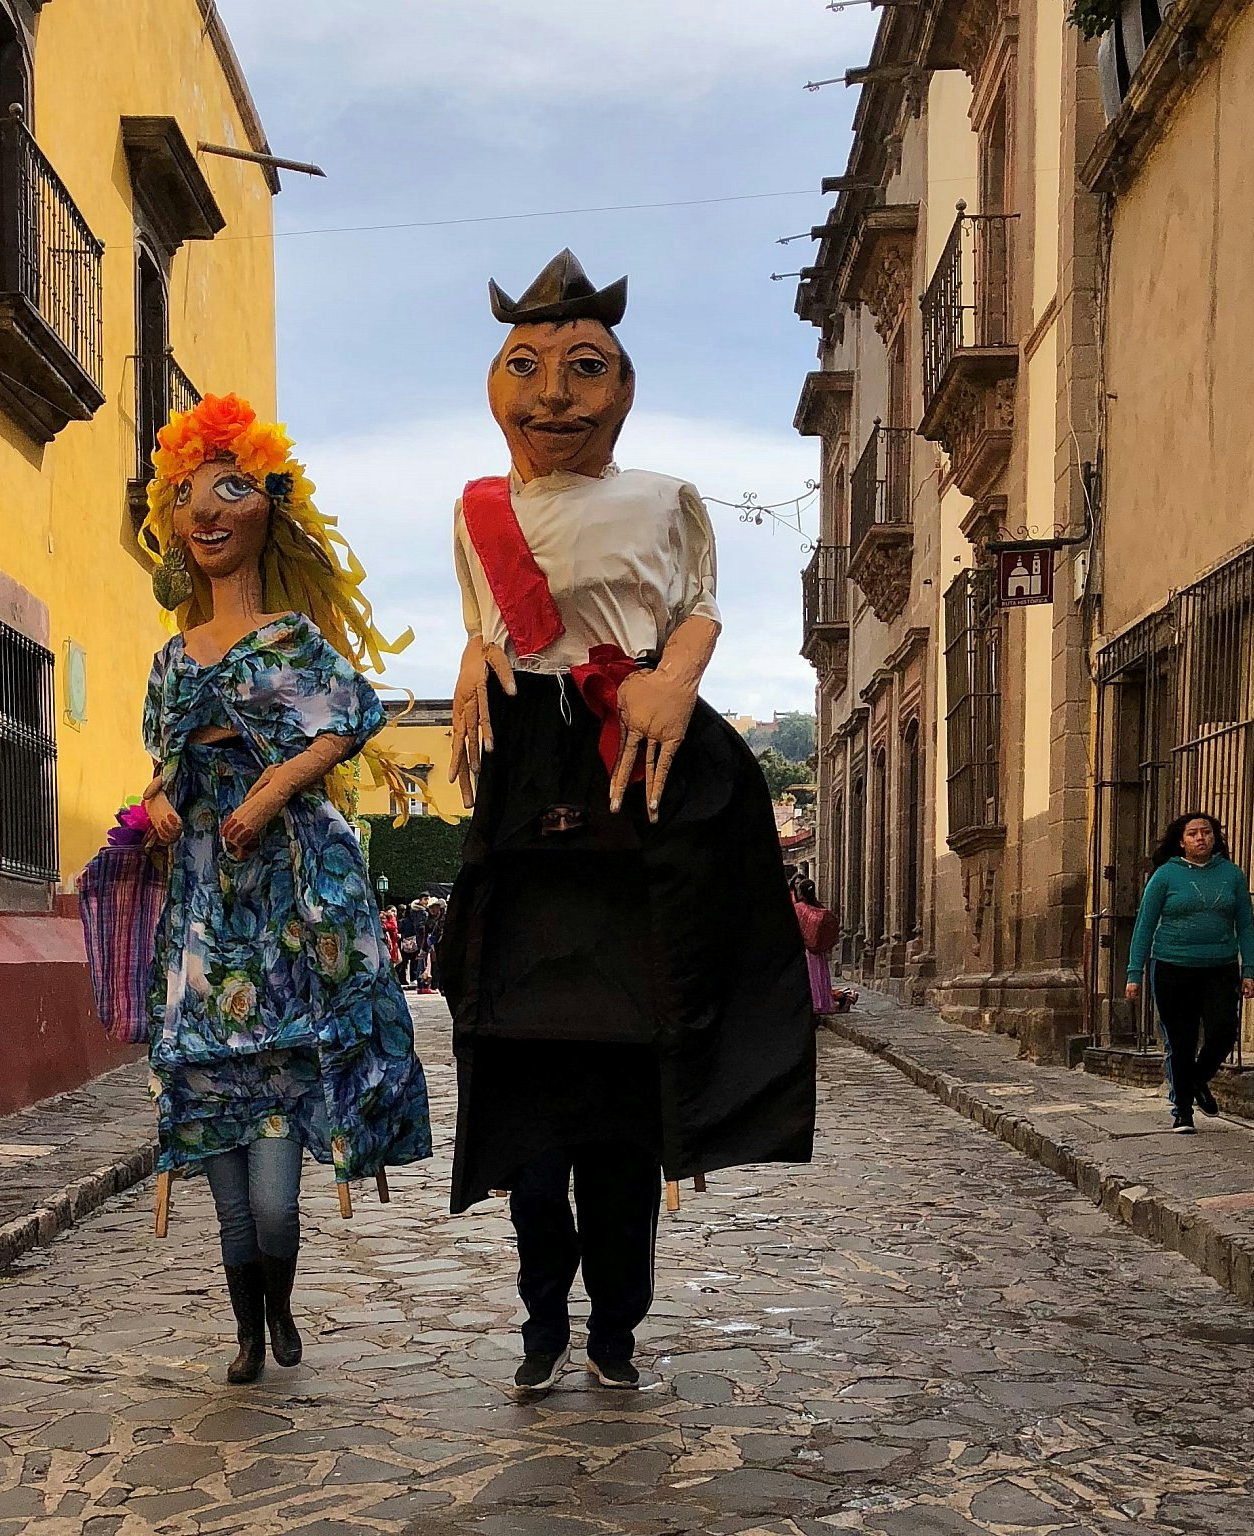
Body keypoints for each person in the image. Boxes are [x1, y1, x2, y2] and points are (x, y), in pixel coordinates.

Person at [439, 250, 816, 1396]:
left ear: (621, 383)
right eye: (527, 368)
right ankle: (540, 1317)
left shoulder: (666, 498)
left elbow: (698, 606)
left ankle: (616, 1325)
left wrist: (677, 678)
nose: (552, 394)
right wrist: (469, 662)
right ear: (498, 382)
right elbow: (493, 626)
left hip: (633, 776)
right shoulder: (475, 509)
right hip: (526, 797)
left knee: (617, 1145)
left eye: (580, 367)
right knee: (531, 1140)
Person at [135, 392, 434, 1385]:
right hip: (203, 920)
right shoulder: (171, 660)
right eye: (185, 494)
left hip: (286, 923)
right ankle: (249, 1334)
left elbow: (346, 719)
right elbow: (159, 769)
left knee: (272, 1203)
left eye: (226, 488)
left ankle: (281, 1306)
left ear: (269, 502)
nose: (204, 511)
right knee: (227, 1200)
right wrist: (159, 803)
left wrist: (268, 791)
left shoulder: (295, 641)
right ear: (170, 520)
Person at [1123, 811, 1254, 1134]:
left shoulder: (1232, 875)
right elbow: (1144, 925)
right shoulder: (1166, 876)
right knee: (1181, 1040)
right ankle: (1183, 1109)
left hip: (1220, 967)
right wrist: (1134, 973)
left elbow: (1246, 924)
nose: (1201, 838)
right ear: (1181, 842)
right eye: (1193, 834)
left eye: (1207, 833)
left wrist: (1249, 970)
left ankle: (1197, 1079)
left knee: (1224, 1031)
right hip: (1172, 967)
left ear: (1215, 838)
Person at [791, 878, 840, 1023]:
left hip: (805, 950)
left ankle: (811, 1003)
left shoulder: (798, 909)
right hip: (817, 951)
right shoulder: (820, 910)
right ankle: (821, 1002)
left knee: (809, 977)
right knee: (818, 976)